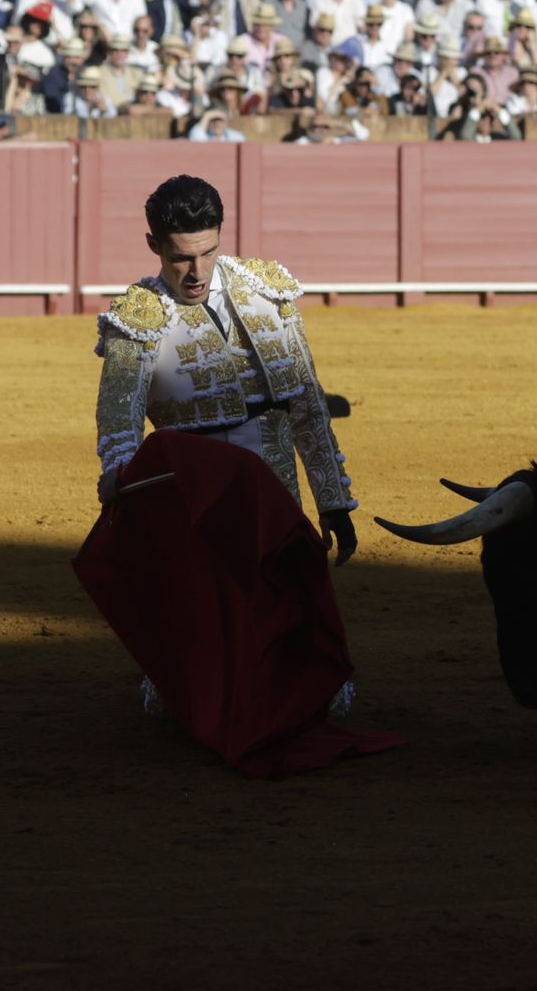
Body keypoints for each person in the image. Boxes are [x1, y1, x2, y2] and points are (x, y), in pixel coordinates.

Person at [93, 175, 359, 715]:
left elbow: (306, 402)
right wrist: (121, 480)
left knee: (284, 591)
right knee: (203, 601)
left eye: (208, 253)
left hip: (274, 477)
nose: (196, 272)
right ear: (154, 247)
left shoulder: (268, 290)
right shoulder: (139, 318)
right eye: (180, 258)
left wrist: (331, 498)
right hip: (194, 486)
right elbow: (119, 421)